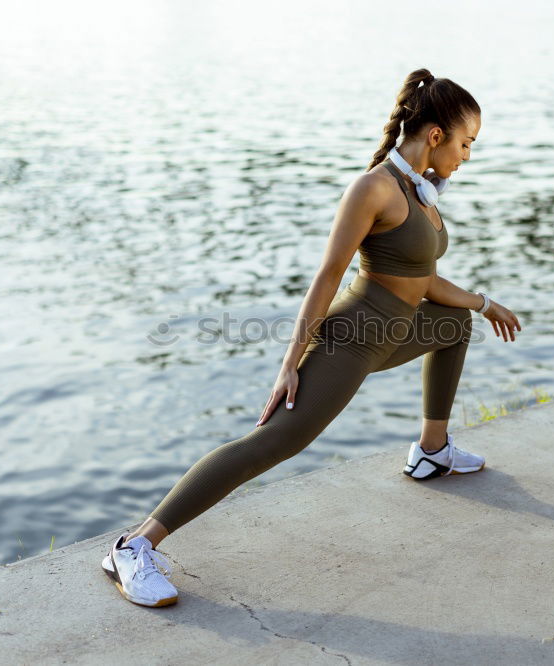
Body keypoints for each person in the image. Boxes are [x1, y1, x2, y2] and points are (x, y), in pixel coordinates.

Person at [101, 68, 523, 607]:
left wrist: (484, 303)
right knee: (274, 442)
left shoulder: (422, 193)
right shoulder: (374, 188)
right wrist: (290, 363)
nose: (468, 156)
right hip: (351, 339)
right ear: (436, 136)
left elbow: (422, 280)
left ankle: (432, 451)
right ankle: (133, 547)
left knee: (454, 325)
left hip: (394, 331)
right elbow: (327, 275)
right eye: (466, 143)